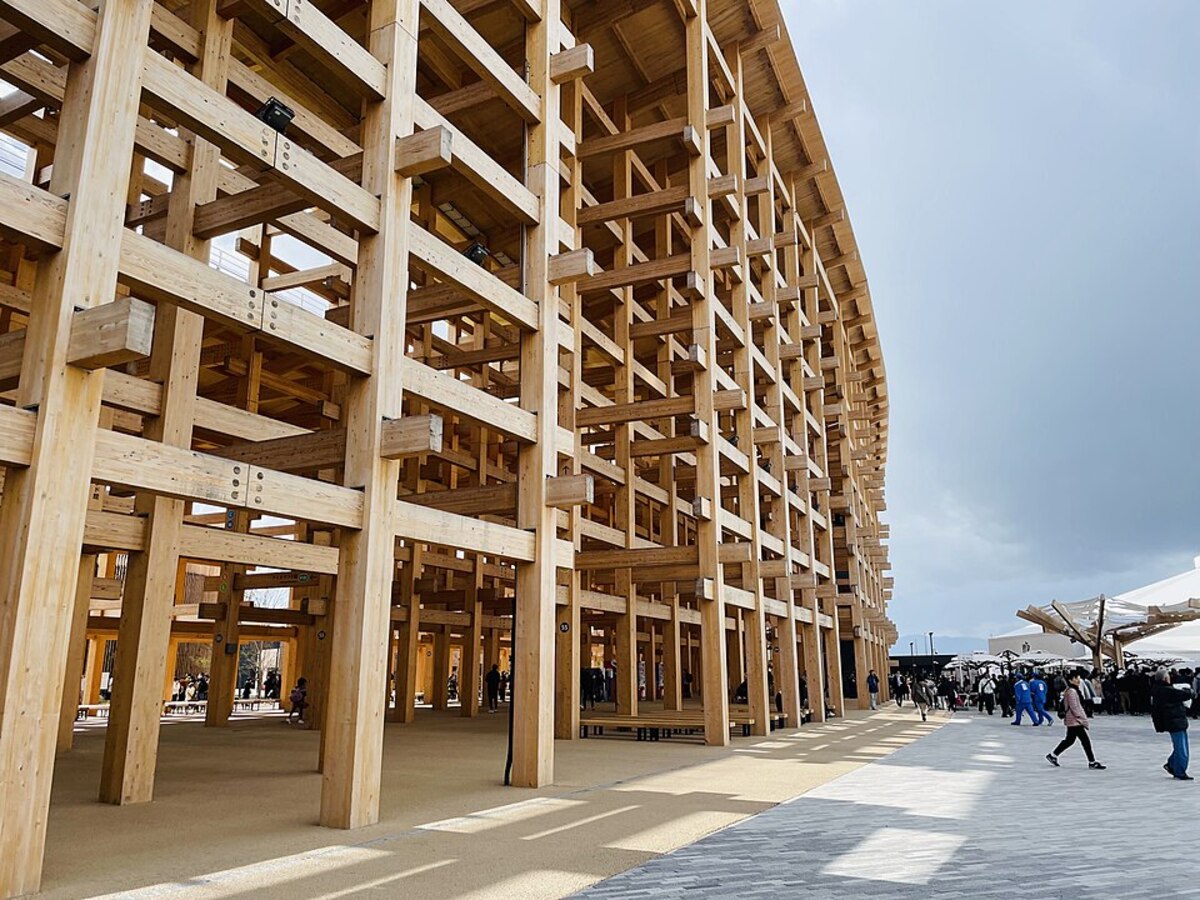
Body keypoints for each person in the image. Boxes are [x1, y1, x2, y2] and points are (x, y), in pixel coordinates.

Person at [1046, 671, 1106, 770]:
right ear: (1070, 680)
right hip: (1075, 720)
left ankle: (1053, 755)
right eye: (1075, 678)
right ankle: (1092, 762)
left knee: (1069, 740)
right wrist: (1082, 718)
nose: (1078, 680)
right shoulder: (1072, 692)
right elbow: (1075, 707)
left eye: (1078, 678)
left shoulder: (1072, 690)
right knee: (1085, 741)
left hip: (1072, 720)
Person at [1151, 667, 1194, 780]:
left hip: (1174, 721)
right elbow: (1186, 694)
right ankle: (1179, 771)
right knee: (1182, 748)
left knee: (1180, 746)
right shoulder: (1166, 690)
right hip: (1174, 721)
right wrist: (1190, 691)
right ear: (1165, 678)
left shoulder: (1158, 689)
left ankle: (1171, 764)